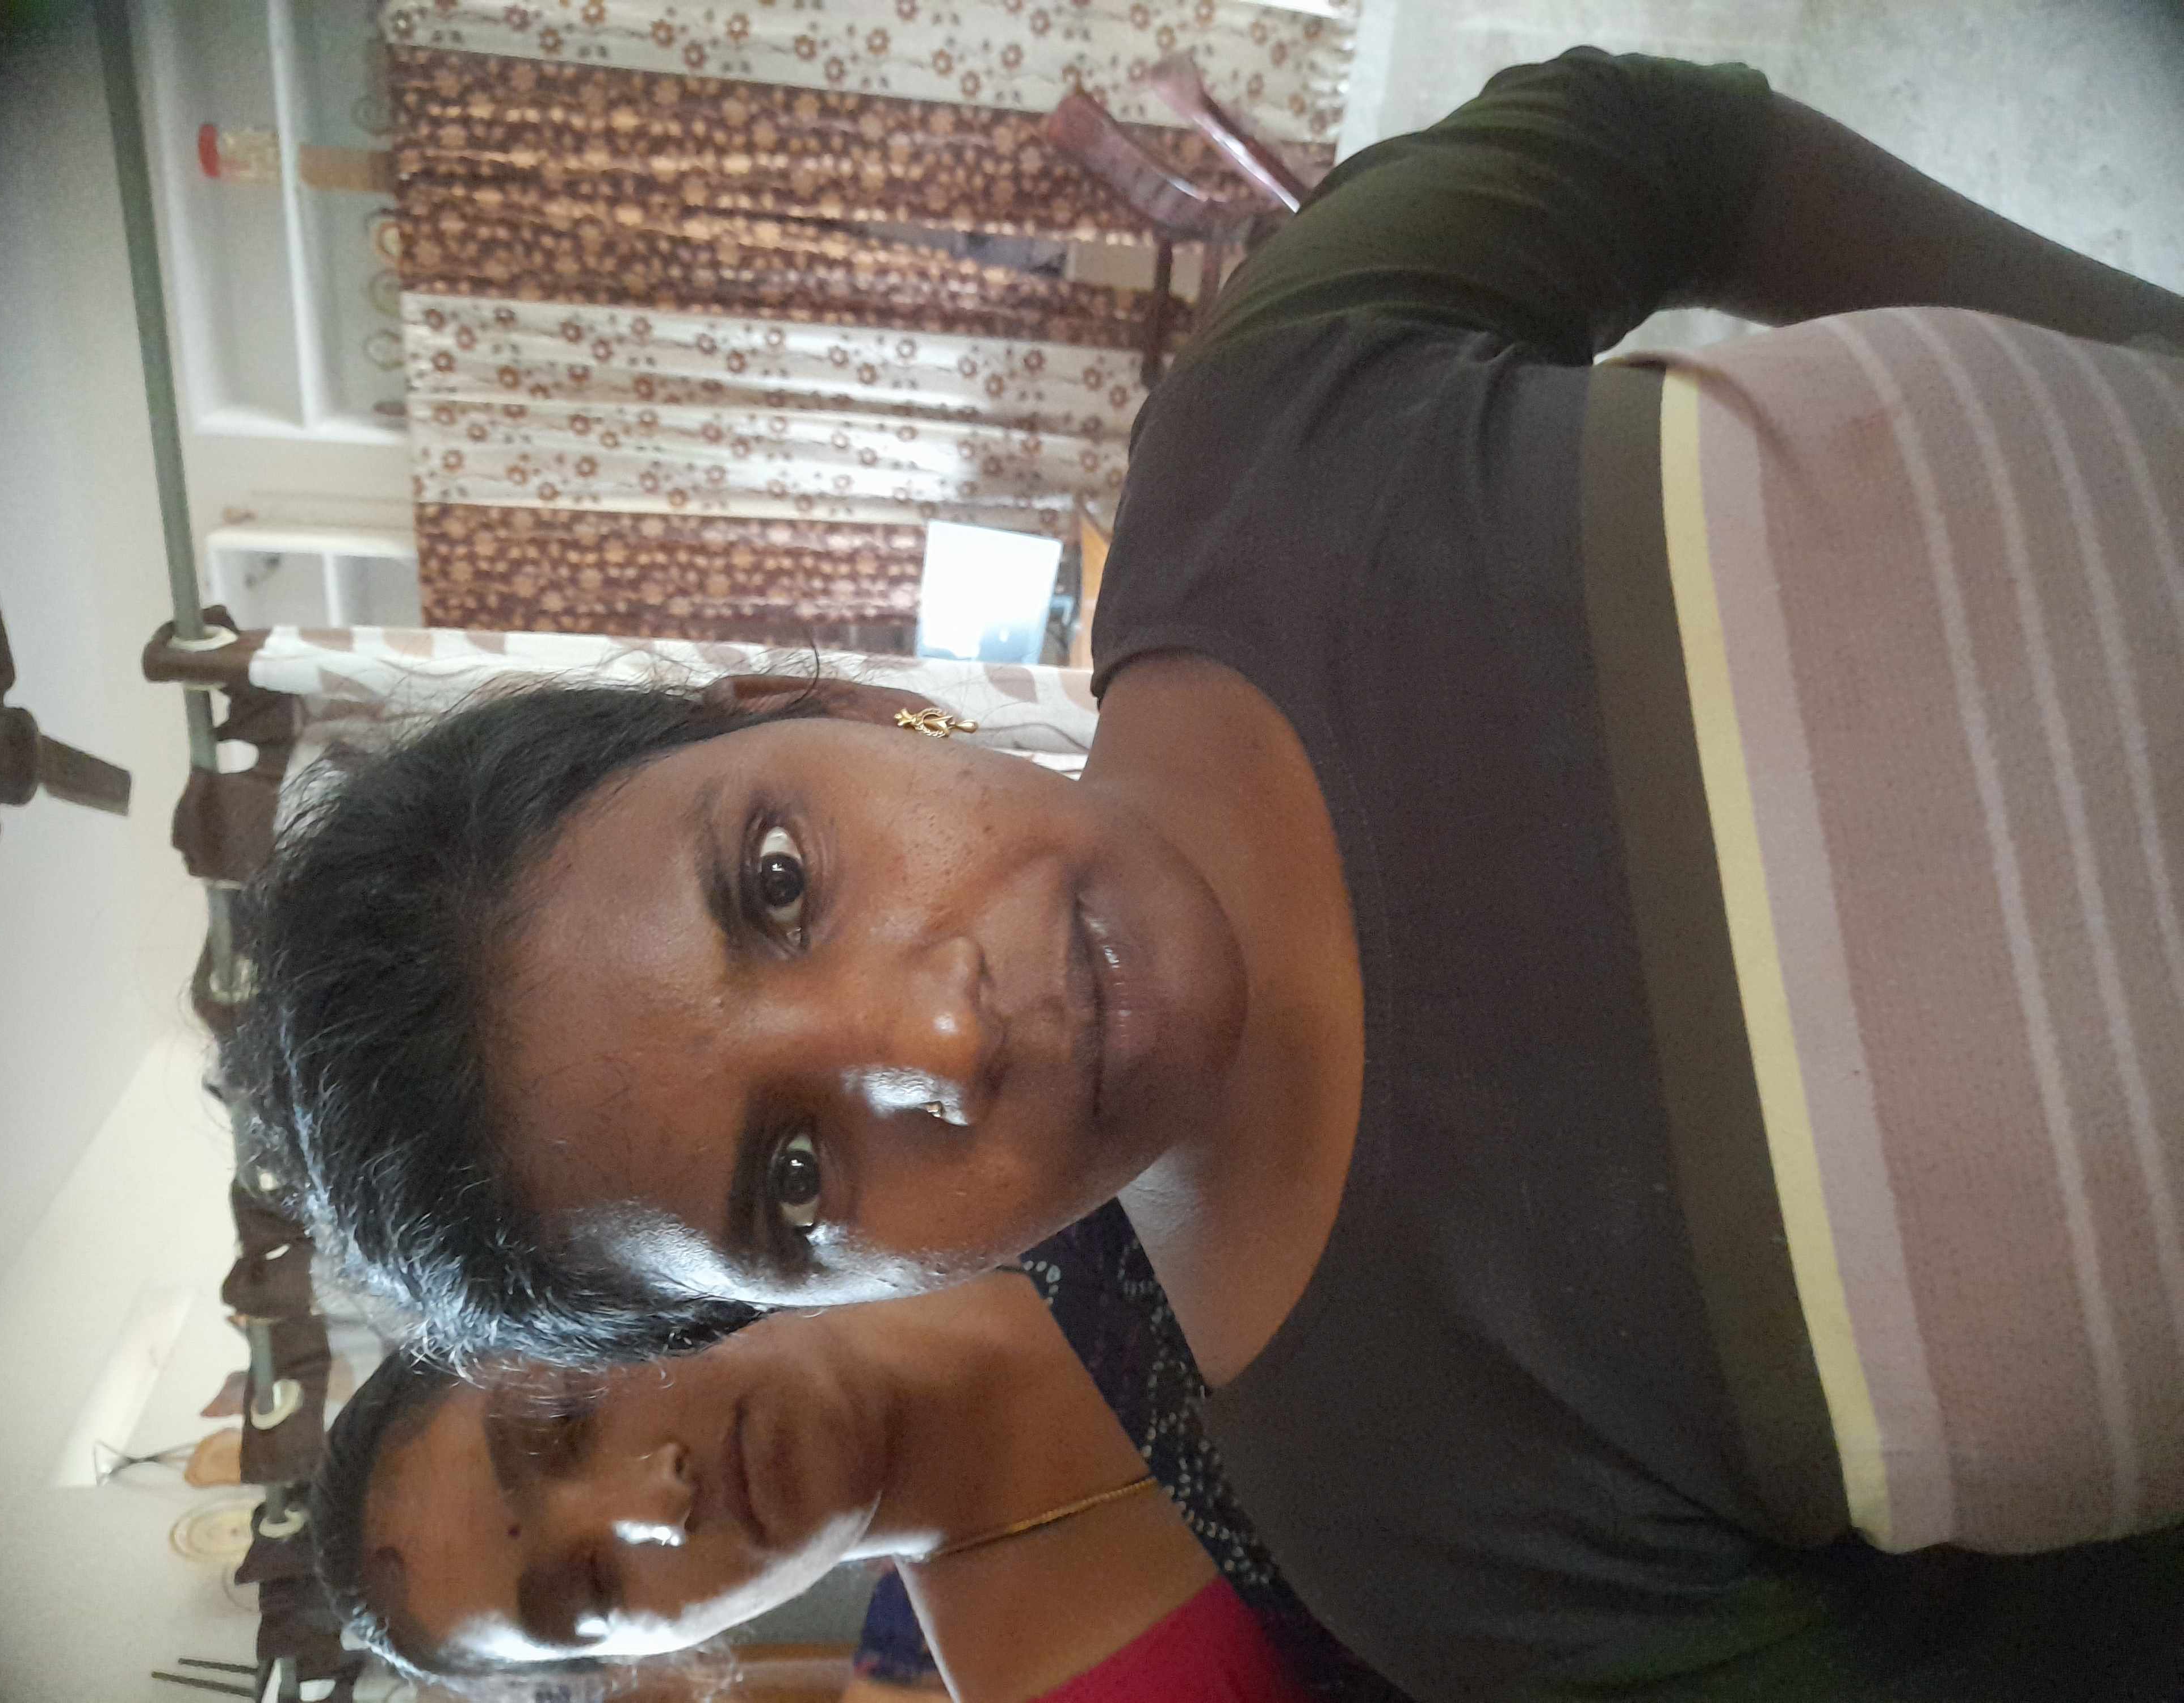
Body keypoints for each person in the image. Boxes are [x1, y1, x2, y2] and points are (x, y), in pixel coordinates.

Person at [232, 46, 2184, 1700]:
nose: (941, 1037)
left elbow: (1663, 147)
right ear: (791, 1288)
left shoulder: (1281, 442)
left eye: (777, 884)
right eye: (799, 1179)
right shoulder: (1429, 1528)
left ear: (817, 702)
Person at [321, 1272, 1310, 1701]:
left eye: (564, 1423)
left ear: (604, 1304)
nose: (657, 1506)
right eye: (592, 1590)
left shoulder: (1024, 1124)